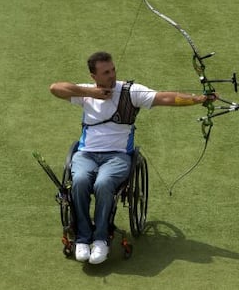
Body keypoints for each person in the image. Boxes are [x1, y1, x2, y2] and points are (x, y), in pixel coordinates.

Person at [50, 51, 214, 264]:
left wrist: (199, 99)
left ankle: (101, 239)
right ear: (94, 76)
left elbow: (164, 97)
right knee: (79, 181)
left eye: (113, 70)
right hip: (86, 154)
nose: (112, 75)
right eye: (105, 72)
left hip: (117, 157)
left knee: (104, 183)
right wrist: (92, 93)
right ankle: (82, 238)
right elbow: (55, 88)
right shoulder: (86, 91)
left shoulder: (130, 91)